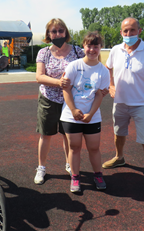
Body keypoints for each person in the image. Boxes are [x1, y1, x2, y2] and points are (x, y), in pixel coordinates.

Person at [102, 17, 144, 200]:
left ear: (140, 31)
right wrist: (110, 85)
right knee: (118, 133)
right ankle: (119, 157)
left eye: (132, 30)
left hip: (142, 105)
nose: (128, 34)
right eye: (125, 31)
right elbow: (108, 69)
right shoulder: (115, 50)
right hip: (120, 103)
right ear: (121, 32)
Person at [34, 18, 85, 185]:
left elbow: (88, 70)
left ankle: (69, 164)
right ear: (48, 34)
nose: (57, 34)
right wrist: (58, 83)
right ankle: (41, 167)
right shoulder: (44, 53)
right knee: (46, 135)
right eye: (53, 31)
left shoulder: (78, 51)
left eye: (61, 31)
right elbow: (39, 76)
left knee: (68, 136)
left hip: (70, 101)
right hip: (49, 99)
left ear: (66, 32)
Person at [61, 32, 110, 193]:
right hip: (71, 116)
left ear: (100, 48)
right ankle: (75, 177)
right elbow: (66, 90)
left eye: (96, 46)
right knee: (74, 147)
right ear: (84, 46)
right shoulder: (74, 66)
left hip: (93, 117)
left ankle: (98, 175)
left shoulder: (103, 71)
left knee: (94, 148)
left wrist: (90, 114)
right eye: (89, 46)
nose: (92, 50)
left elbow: (99, 95)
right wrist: (74, 110)